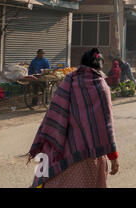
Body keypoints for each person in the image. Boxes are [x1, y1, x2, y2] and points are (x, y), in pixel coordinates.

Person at [27, 48, 119, 188]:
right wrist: (113, 157)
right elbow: (105, 127)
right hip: (88, 156)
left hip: (60, 152)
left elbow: (53, 116)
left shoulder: (69, 80)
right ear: (99, 66)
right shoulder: (101, 86)